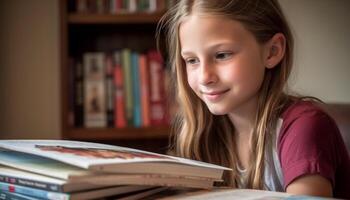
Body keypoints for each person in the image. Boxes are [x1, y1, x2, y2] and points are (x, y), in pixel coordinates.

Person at [156, 0, 350, 198]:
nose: (205, 77)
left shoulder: (304, 128)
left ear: (272, 51)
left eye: (222, 55)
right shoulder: (204, 135)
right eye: (192, 60)